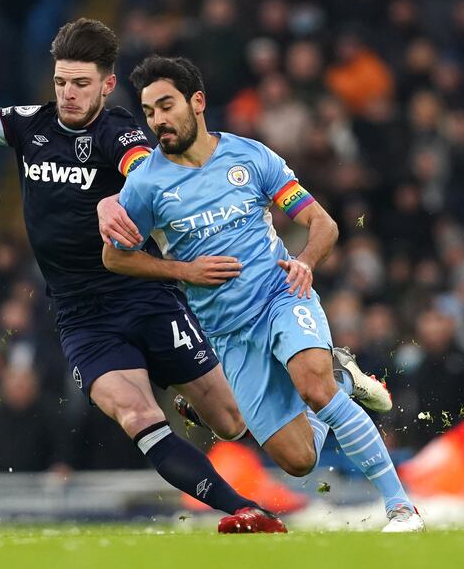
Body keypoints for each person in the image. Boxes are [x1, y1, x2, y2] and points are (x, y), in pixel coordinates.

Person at [0, 17, 285, 533]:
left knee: (232, 423)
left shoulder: (123, 132)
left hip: (146, 296)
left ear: (107, 85)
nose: (68, 94)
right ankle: (250, 514)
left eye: (81, 84)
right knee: (138, 417)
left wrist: (120, 198)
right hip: (83, 317)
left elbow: (145, 172)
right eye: (60, 82)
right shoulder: (30, 125)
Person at [99, 56, 423, 532]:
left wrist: (306, 262)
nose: (158, 121)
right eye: (149, 112)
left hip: (280, 294)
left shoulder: (251, 158)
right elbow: (114, 257)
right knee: (298, 461)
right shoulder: (145, 184)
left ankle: (400, 507)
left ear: (198, 102)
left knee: (314, 387)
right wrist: (181, 269)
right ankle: (345, 381)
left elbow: (322, 223)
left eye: (166, 106)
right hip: (227, 334)